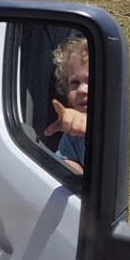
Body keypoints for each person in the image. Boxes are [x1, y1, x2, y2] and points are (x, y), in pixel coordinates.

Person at [46, 35, 89, 174]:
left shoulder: (116, 120)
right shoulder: (71, 131)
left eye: (92, 81)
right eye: (74, 83)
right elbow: (69, 161)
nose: (82, 90)